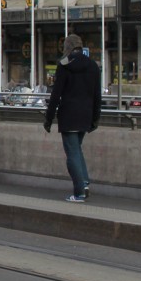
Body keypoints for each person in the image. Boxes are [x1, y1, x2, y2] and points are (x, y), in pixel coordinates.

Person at [44, 34, 101, 203]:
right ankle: (84, 183)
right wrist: (95, 118)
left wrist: (48, 118)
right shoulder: (93, 65)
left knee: (72, 154)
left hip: (69, 114)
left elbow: (56, 94)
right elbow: (97, 95)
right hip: (86, 114)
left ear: (67, 47)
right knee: (77, 150)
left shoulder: (64, 65)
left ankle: (79, 192)